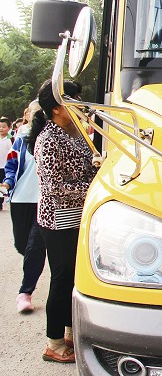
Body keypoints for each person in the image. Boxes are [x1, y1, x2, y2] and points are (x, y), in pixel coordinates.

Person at [29, 79, 98, 363]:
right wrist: (94, 190)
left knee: (74, 278)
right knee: (61, 280)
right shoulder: (48, 139)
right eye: (74, 98)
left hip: (78, 216)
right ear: (58, 108)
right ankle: (54, 343)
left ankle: (70, 333)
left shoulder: (75, 132)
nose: (80, 102)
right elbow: (55, 188)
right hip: (58, 221)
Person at [1, 100, 46, 315]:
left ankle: (25, 292)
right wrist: (7, 183)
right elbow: (11, 165)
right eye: (34, 111)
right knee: (22, 245)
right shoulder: (19, 139)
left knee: (34, 246)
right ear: (26, 114)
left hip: (43, 201)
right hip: (20, 200)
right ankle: (31, 264)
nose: (37, 114)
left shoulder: (49, 137)